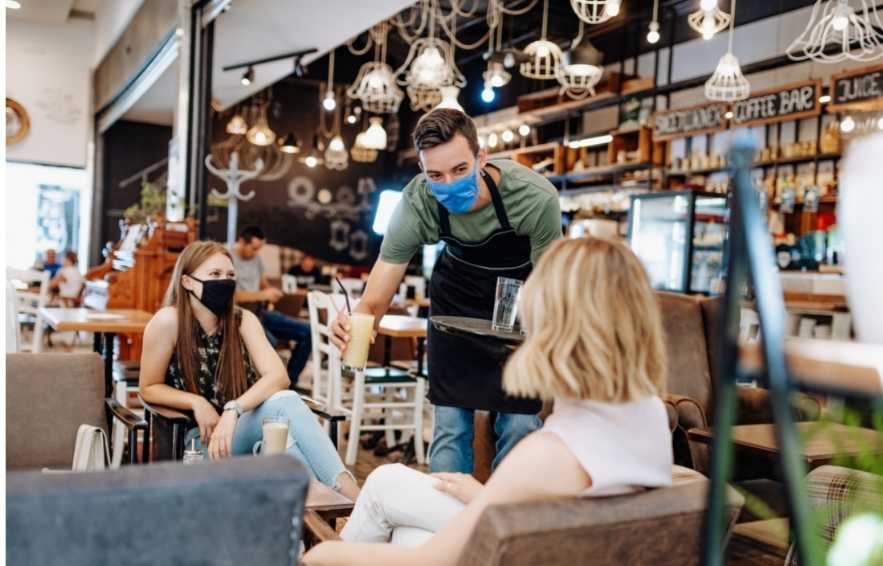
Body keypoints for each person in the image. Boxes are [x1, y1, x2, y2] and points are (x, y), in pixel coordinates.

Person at [304, 237, 673, 564]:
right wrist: (488, 495)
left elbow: (428, 560)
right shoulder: (650, 411)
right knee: (393, 500)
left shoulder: (546, 453)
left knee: (389, 520)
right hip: (559, 546)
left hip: (521, 553)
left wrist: (323, 553)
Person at [331, 108, 562, 474]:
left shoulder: (535, 198)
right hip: (455, 303)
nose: (450, 183)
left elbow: (553, 284)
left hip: (518, 304)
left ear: (481, 158)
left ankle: (501, 521)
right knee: (451, 426)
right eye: (435, 175)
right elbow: (376, 295)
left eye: (460, 170)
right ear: (422, 172)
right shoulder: (416, 203)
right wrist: (354, 324)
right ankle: (444, 522)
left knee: (520, 424)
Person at [139, 241, 359, 500]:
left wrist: (233, 410)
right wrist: (195, 402)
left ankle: (327, 517)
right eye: (214, 275)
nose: (225, 281)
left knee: (287, 442)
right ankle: (355, 503)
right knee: (284, 410)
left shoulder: (242, 320)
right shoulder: (168, 321)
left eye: (230, 275)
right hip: (198, 444)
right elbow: (148, 387)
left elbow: (279, 376)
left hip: (239, 433)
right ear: (187, 282)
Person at [231, 225, 313, 387]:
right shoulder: (228, 260)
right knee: (269, 342)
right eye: (253, 248)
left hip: (260, 311)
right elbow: (233, 297)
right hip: (240, 316)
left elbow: (263, 285)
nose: (256, 253)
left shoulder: (256, 259)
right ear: (241, 241)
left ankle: (288, 382)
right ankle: (265, 386)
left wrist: (271, 292)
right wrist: (263, 295)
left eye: (259, 249)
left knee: (309, 332)